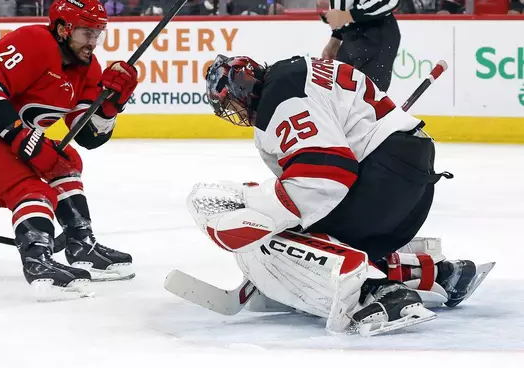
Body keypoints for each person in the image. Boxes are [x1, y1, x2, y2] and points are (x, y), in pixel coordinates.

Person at [189, 54, 492, 333]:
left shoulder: (279, 100)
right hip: (409, 180)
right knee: (321, 232)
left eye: (230, 104)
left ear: (242, 89)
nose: (235, 113)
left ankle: (377, 292)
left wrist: (264, 211)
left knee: (291, 238)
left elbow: (327, 173)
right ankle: (442, 275)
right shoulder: (294, 72)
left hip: (382, 183)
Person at [0, 0, 138, 296]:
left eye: (98, 34)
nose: (93, 42)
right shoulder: (34, 42)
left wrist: (109, 106)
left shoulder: (87, 68)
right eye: (86, 32)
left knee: (64, 159)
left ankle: (80, 242)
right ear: (64, 28)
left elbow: (88, 137)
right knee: (31, 188)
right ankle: (39, 263)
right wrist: (26, 140)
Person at [321, 0, 402, 92]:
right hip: (349, 36)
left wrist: (347, 16)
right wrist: (336, 37)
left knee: (365, 99)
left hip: (374, 34)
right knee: (340, 96)